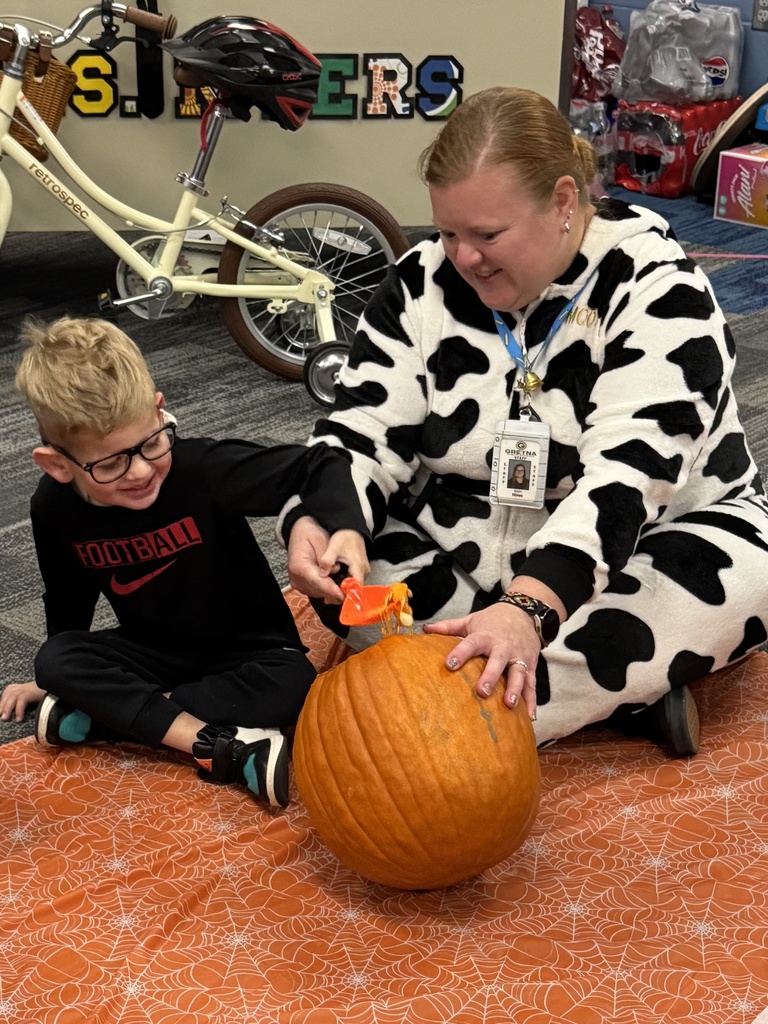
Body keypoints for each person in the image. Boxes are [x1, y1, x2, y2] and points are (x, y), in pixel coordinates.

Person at [282, 85, 768, 757]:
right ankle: (599, 696)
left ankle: (455, 711)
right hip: (464, 537)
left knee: (741, 578)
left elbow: (627, 482)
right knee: (348, 579)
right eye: (448, 231)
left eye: (486, 235)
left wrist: (530, 609)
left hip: (640, 542)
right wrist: (330, 520)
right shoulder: (419, 280)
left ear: (564, 201)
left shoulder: (658, 288)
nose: (462, 257)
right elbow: (358, 429)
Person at [0, 317, 369, 808]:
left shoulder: (200, 468)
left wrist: (345, 529)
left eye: (152, 442)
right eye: (110, 464)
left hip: (252, 653)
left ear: (159, 410)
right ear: (57, 465)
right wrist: (46, 677)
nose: (141, 470)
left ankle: (110, 721)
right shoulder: (52, 506)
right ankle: (222, 746)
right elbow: (67, 598)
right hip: (153, 653)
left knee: (297, 687)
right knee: (57, 659)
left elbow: (320, 463)